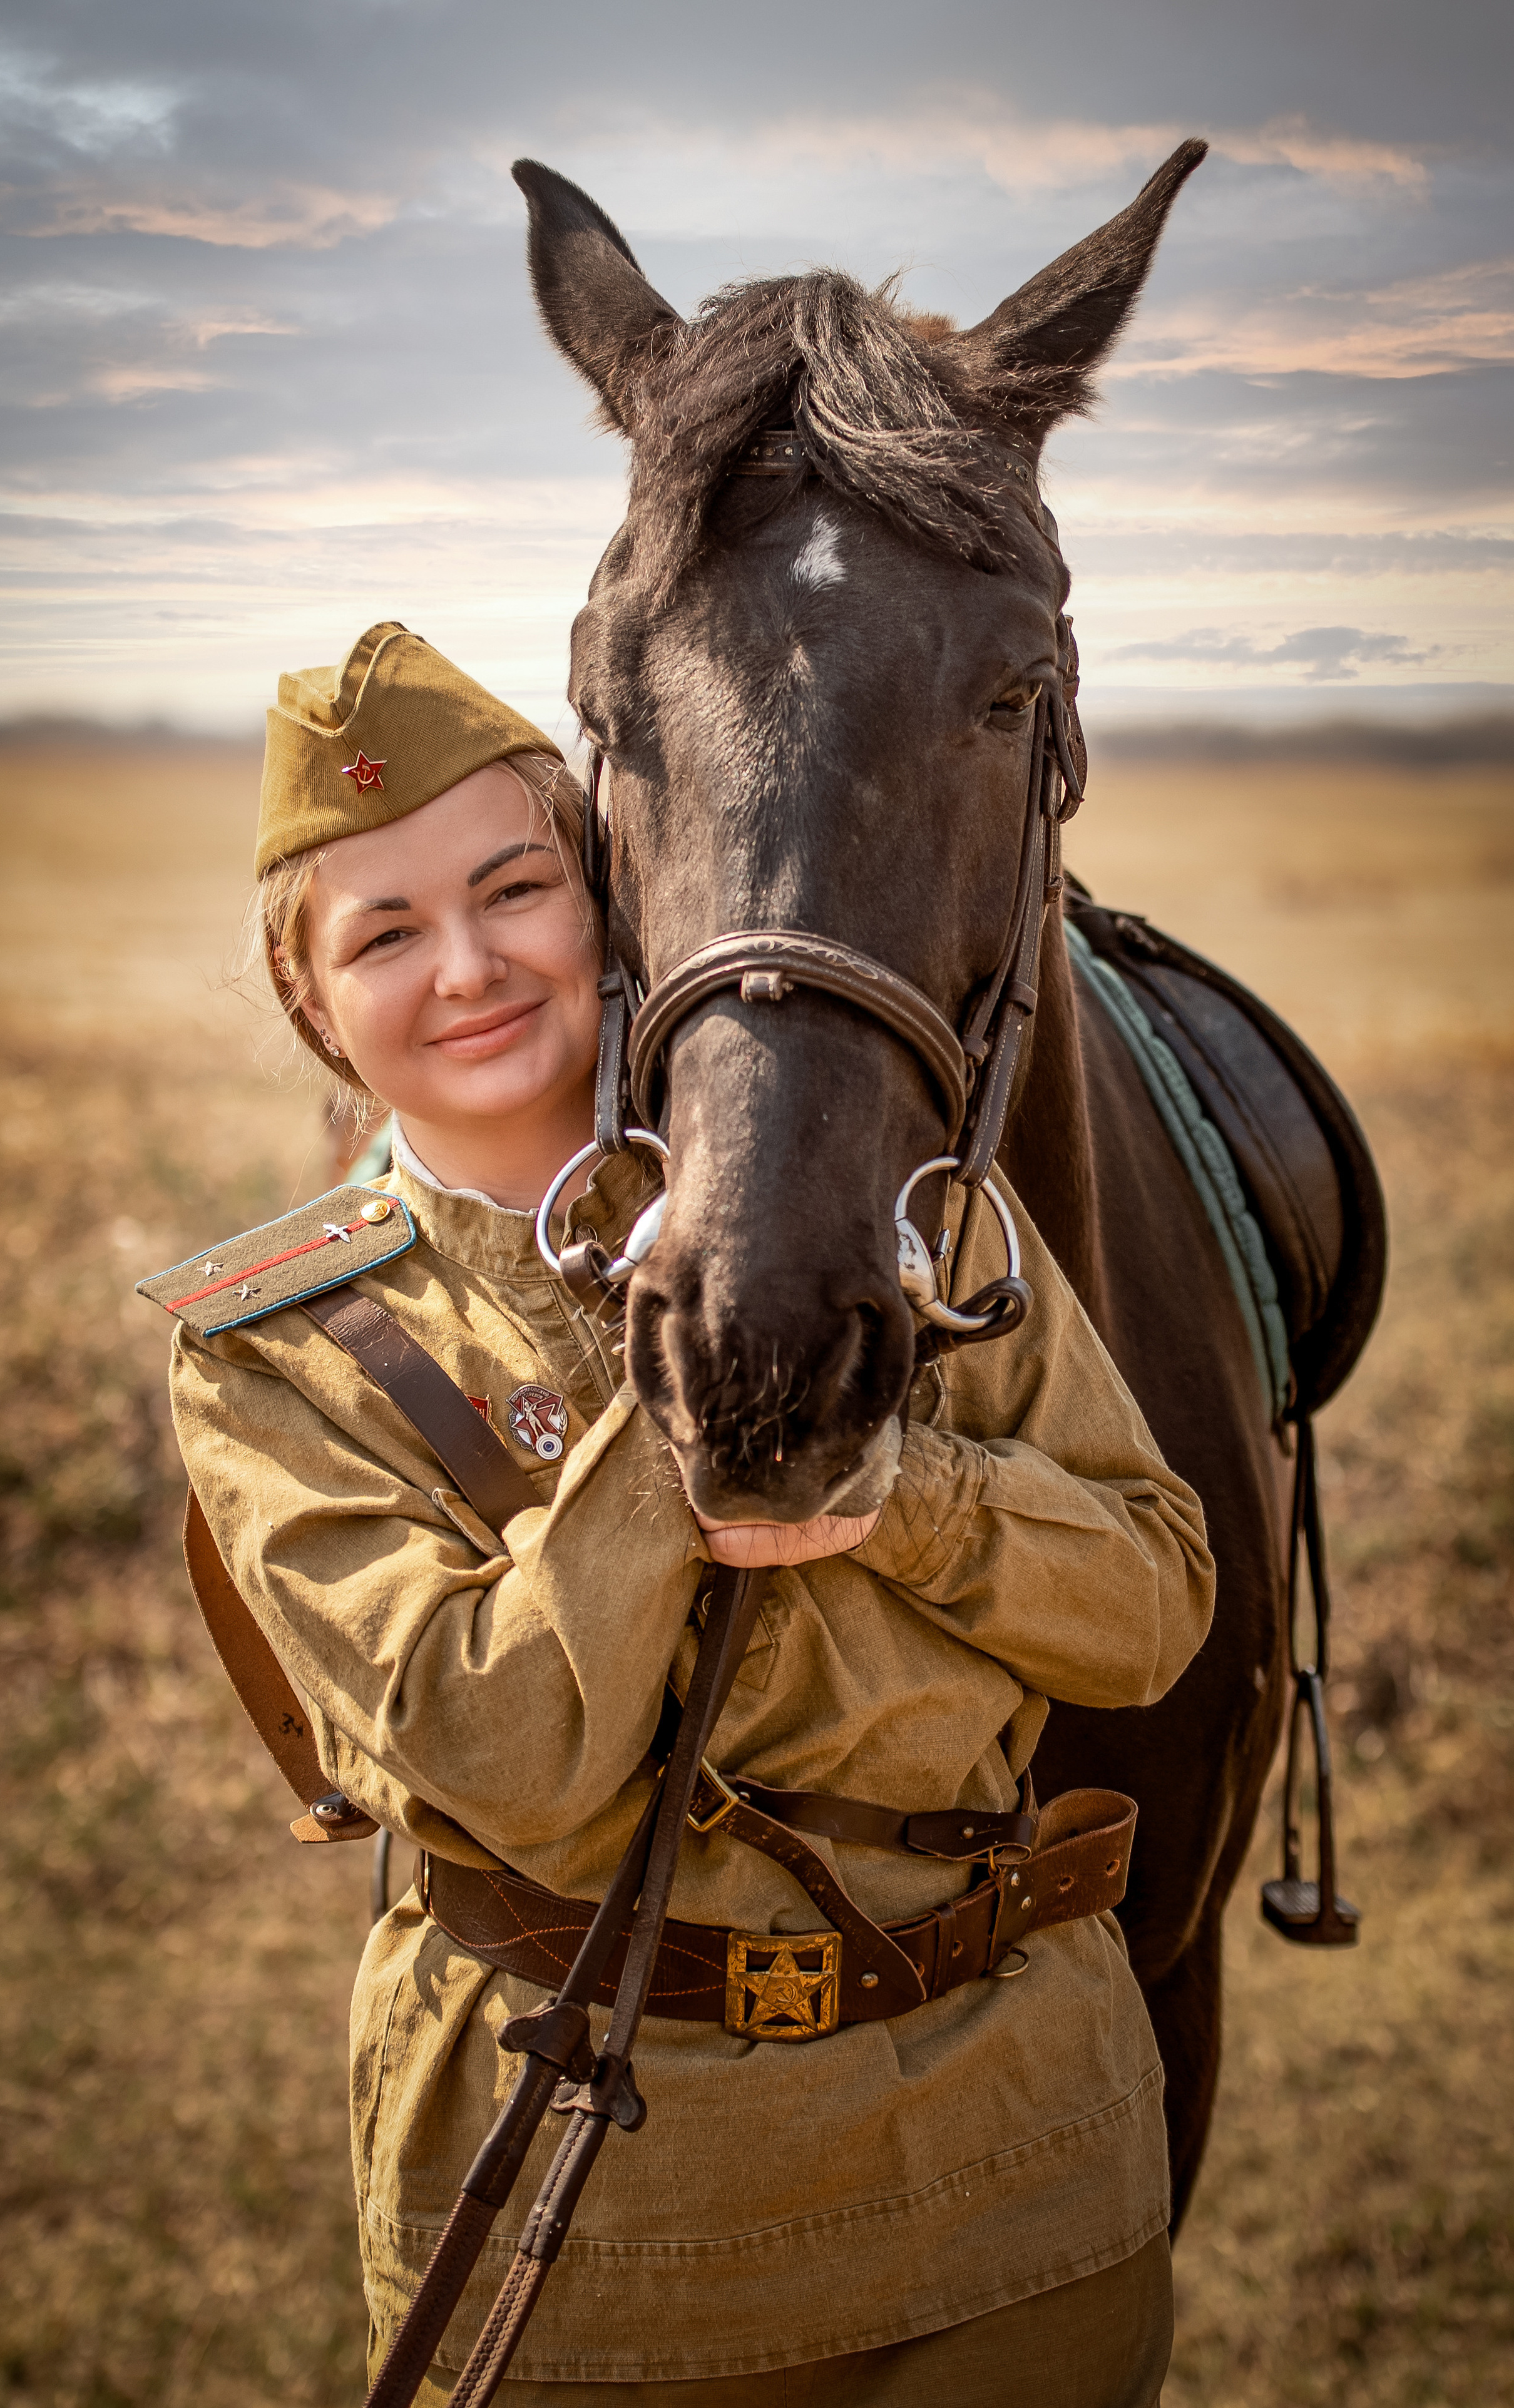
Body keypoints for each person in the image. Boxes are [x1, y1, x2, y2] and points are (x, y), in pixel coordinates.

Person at [141, 620, 1214, 2407]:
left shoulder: (916, 1214)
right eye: (386, 933)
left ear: (613, 903)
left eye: (515, 892)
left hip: (1022, 2173)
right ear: (307, 997)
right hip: (600, 2222)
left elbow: (1156, 1609)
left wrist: (909, 1486)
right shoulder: (279, 1352)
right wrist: (702, 1376)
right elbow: (510, 1755)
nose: (470, 968)